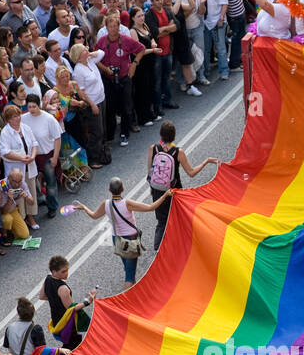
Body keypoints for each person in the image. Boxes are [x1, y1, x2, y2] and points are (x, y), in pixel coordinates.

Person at [74, 179, 163, 290]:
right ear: (122, 189)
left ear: (109, 190)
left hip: (117, 239)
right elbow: (151, 207)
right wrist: (165, 196)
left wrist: (84, 208)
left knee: (128, 269)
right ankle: (125, 301)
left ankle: (133, 294)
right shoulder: (127, 203)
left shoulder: (106, 204)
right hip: (130, 240)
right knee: (129, 277)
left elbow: (94, 215)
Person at [146, 121, 219, 253]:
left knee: (161, 221)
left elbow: (150, 171)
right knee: (178, 219)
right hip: (174, 192)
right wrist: (206, 162)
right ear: (173, 136)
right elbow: (191, 173)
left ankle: (158, 250)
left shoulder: (153, 148)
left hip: (157, 190)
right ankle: (181, 248)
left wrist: (152, 187)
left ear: (161, 134)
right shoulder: (178, 152)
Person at [41, 255, 96, 351]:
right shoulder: (63, 289)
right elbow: (71, 309)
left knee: (68, 346)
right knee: (73, 349)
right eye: (63, 272)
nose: (66, 274)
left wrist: (56, 300)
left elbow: (42, 296)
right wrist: (88, 302)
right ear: (54, 271)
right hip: (67, 323)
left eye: (67, 270)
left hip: (56, 321)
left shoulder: (47, 279)